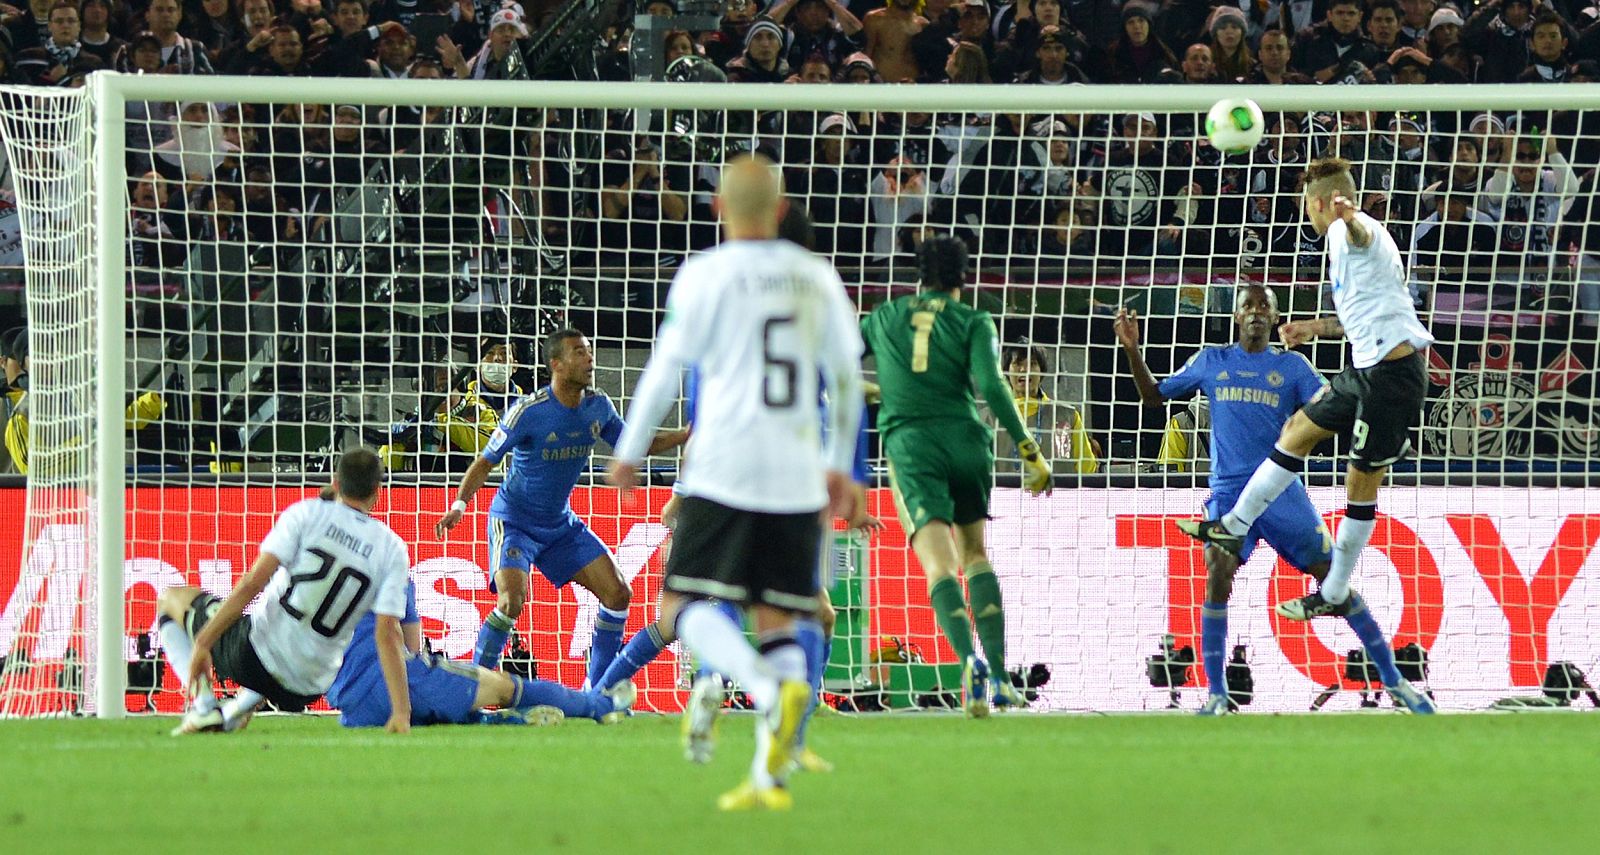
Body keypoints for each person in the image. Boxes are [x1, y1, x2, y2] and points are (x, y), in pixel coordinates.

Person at [606, 154, 865, 811]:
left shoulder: (703, 275)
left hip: (722, 470)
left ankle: (754, 681)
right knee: (783, 618)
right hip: (799, 474)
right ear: (781, 212)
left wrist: (630, 451)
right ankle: (766, 775)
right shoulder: (817, 277)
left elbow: (664, 372)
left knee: (684, 608)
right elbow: (847, 385)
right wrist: (844, 469)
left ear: (718, 209)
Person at [1176, 158, 1438, 719]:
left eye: (1308, 207)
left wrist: (1351, 216)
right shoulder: (1338, 255)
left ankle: (1370, 641)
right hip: (1363, 370)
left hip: (1391, 379)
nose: (1308, 217)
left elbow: (1361, 229)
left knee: (1361, 484)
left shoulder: (1352, 231)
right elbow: (1365, 315)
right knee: (1297, 432)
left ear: (1323, 203)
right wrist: (1314, 328)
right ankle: (1218, 686)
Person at [1116, 285, 1428, 715]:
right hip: (1229, 493)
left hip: (1281, 492)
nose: (1257, 312)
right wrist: (1133, 349)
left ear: (1277, 317)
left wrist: (1381, 421)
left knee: (1333, 581)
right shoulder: (1213, 361)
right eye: (1249, 305)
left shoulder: (1293, 366)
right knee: (1217, 572)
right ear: (1237, 316)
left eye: (1265, 306)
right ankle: (1218, 693)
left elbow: (1331, 409)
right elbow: (1154, 397)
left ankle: (1397, 682)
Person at [859, 234, 1049, 719]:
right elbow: (991, 384)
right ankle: (1003, 677)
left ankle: (969, 665)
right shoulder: (974, 320)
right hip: (967, 441)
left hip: (912, 445)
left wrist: (875, 390)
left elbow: (833, 362)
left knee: (939, 567)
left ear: (918, 276)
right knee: (976, 556)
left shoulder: (882, 317)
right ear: (963, 280)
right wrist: (1029, 451)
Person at [434, 329, 687, 688]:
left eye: (589, 351)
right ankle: (470, 689)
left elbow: (634, 445)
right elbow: (485, 462)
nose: (589, 359)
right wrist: (460, 504)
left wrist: (684, 435)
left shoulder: (597, 407)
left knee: (618, 595)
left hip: (560, 525)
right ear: (556, 364)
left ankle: (596, 691)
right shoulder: (528, 412)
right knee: (511, 602)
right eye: (579, 353)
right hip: (515, 520)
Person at [160, 448, 414, 734]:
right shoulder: (392, 548)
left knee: (171, 599)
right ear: (377, 491)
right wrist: (402, 712)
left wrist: (203, 643)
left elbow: (253, 583)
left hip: (254, 658)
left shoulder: (307, 513)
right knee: (294, 640)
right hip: (309, 687)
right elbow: (389, 632)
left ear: (335, 482)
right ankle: (238, 707)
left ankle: (203, 706)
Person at [328, 577, 635, 728]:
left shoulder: (309, 583)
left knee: (440, 718)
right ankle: (599, 704)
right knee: (503, 686)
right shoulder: (385, 561)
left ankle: (506, 722)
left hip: (352, 708)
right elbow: (410, 645)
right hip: (396, 684)